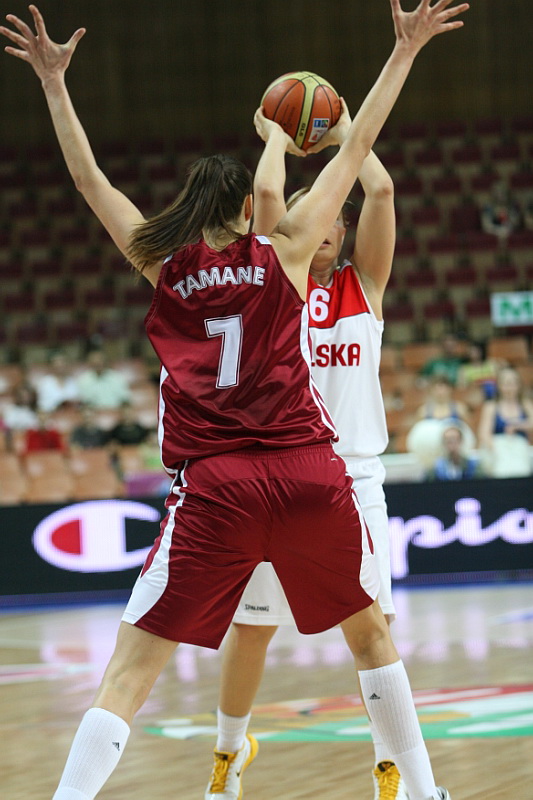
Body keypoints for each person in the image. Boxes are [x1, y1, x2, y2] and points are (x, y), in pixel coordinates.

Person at [0, 3, 468, 799]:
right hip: (309, 472)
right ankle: (424, 793)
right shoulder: (285, 253)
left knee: (130, 673)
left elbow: (89, 182)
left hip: (217, 485)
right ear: (250, 211)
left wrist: (53, 85)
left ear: (186, 213)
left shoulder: (163, 266)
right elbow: (358, 147)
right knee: (370, 637)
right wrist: (402, 52)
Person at [204, 104, 406, 800]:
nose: (322, 227)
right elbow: (267, 201)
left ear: (342, 232)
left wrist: (344, 135)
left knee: (374, 630)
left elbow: (380, 190)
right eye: (307, 217)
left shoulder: (364, 285)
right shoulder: (271, 284)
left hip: (354, 477)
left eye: (332, 220)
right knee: (251, 629)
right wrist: (281, 146)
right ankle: (228, 753)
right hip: (277, 472)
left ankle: (389, 767)